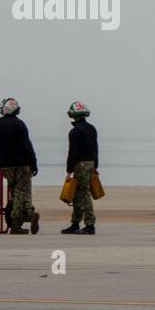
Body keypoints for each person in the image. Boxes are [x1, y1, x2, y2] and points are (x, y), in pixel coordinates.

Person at [0, 97, 40, 234]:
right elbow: (27, 146)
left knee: (15, 192)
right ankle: (22, 218)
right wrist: (34, 164)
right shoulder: (19, 124)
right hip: (22, 164)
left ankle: (24, 216)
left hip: (6, 165)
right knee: (23, 192)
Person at [62, 101, 98, 235]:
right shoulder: (92, 128)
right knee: (77, 195)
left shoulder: (75, 131)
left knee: (83, 194)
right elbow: (95, 149)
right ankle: (75, 223)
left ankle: (89, 225)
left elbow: (73, 153)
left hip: (80, 165)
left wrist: (69, 171)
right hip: (90, 163)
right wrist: (95, 166)